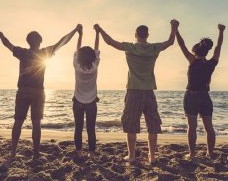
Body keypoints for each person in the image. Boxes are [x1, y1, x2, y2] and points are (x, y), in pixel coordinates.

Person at [95, 20, 179, 163]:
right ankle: (152, 156)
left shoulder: (131, 48)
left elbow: (109, 42)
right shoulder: (154, 48)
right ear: (147, 35)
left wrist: (99, 30)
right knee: (152, 125)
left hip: (134, 90)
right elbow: (171, 41)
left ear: (136, 34)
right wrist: (174, 27)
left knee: (131, 124)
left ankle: (132, 156)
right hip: (149, 91)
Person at [0, 25, 81, 159]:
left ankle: (12, 152)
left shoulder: (22, 52)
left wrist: (1, 36)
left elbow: (8, 44)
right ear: (40, 41)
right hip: (38, 92)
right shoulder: (44, 53)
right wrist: (75, 30)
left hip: (23, 91)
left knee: (18, 121)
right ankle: (36, 154)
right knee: (36, 123)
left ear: (28, 41)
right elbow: (62, 41)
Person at [176, 24, 225, 159]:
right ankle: (210, 153)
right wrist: (221, 31)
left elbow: (181, 45)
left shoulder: (192, 61)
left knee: (192, 127)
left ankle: (192, 154)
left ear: (195, 52)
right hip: (205, 96)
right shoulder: (211, 63)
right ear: (206, 52)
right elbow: (218, 47)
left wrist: (175, 30)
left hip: (191, 96)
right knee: (209, 127)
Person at [72, 24, 100, 159]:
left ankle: (79, 152)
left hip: (77, 100)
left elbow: (77, 50)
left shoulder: (77, 66)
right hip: (91, 103)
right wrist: (97, 33)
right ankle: (92, 153)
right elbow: (96, 49)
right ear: (93, 57)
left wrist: (80, 34)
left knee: (78, 128)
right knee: (90, 128)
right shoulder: (95, 66)